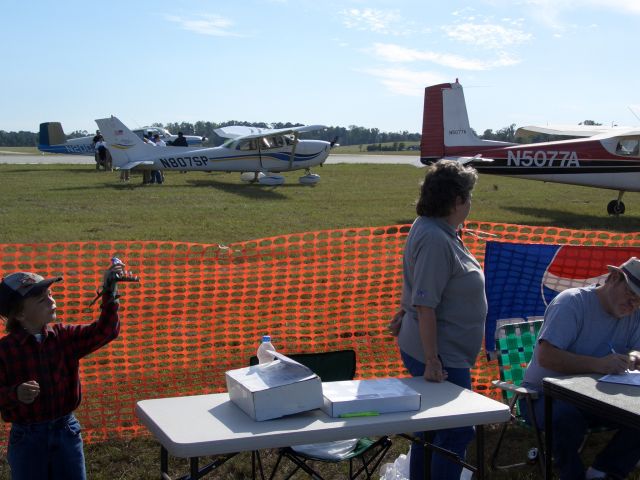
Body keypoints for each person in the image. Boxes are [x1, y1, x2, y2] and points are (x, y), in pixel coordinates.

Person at [388, 159, 486, 479]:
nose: (471, 203)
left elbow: (419, 287)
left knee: (431, 431)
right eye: (468, 196)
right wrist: (432, 360)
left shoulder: (438, 228)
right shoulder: (434, 237)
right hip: (440, 354)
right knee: (457, 431)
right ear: (457, 200)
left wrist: (404, 309)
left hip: (441, 349)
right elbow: (427, 303)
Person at [0, 261, 127, 479]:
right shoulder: (4, 351)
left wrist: (110, 290)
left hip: (66, 431)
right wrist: (15, 394)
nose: (51, 301)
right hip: (27, 439)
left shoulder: (64, 337)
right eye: (41, 299)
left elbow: (106, 331)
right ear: (19, 315)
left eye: (50, 294)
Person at [520, 257, 640, 480]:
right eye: (631, 295)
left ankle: (604, 472)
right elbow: (547, 357)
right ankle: (572, 475)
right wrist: (599, 364)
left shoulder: (633, 314)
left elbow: (638, 349)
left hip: (597, 400)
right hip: (542, 396)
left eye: (639, 302)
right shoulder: (572, 302)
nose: (633, 305)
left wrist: (634, 356)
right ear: (614, 278)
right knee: (565, 418)